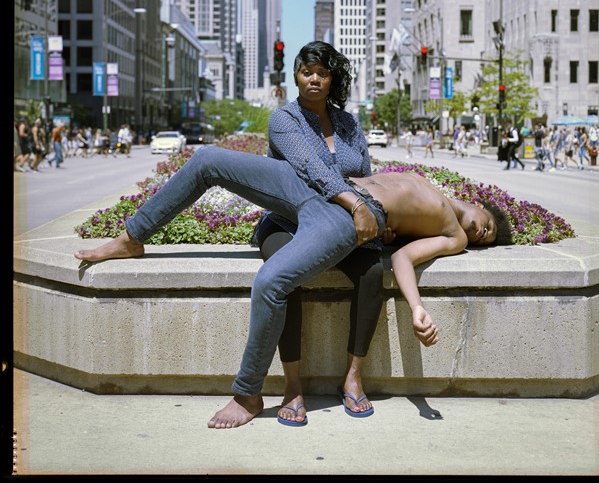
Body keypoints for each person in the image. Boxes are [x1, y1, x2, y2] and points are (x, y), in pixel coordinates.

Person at [73, 140, 513, 429]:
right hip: (322, 185)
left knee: (271, 280)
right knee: (207, 159)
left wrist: (417, 307)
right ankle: (132, 238)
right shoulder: (430, 183)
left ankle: (247, 397)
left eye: (487, 238)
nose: (480, 232)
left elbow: (402, 256)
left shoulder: (453, 235)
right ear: (480, 206)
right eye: (487, 224)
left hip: (348, 217)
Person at [253, 42, 380, 423]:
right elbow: (311, 169)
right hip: (288, 220)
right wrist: (353, 200)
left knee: (373, 271)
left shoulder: (349, 123)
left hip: (341, 223)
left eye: (322, 73)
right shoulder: (284, 120)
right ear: (296, 76)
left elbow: (365, 172)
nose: (313, 79)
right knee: (283, 271)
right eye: (307, 72)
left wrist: (366, 209)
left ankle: (354, 378)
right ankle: (293, 386)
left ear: (331, 78)